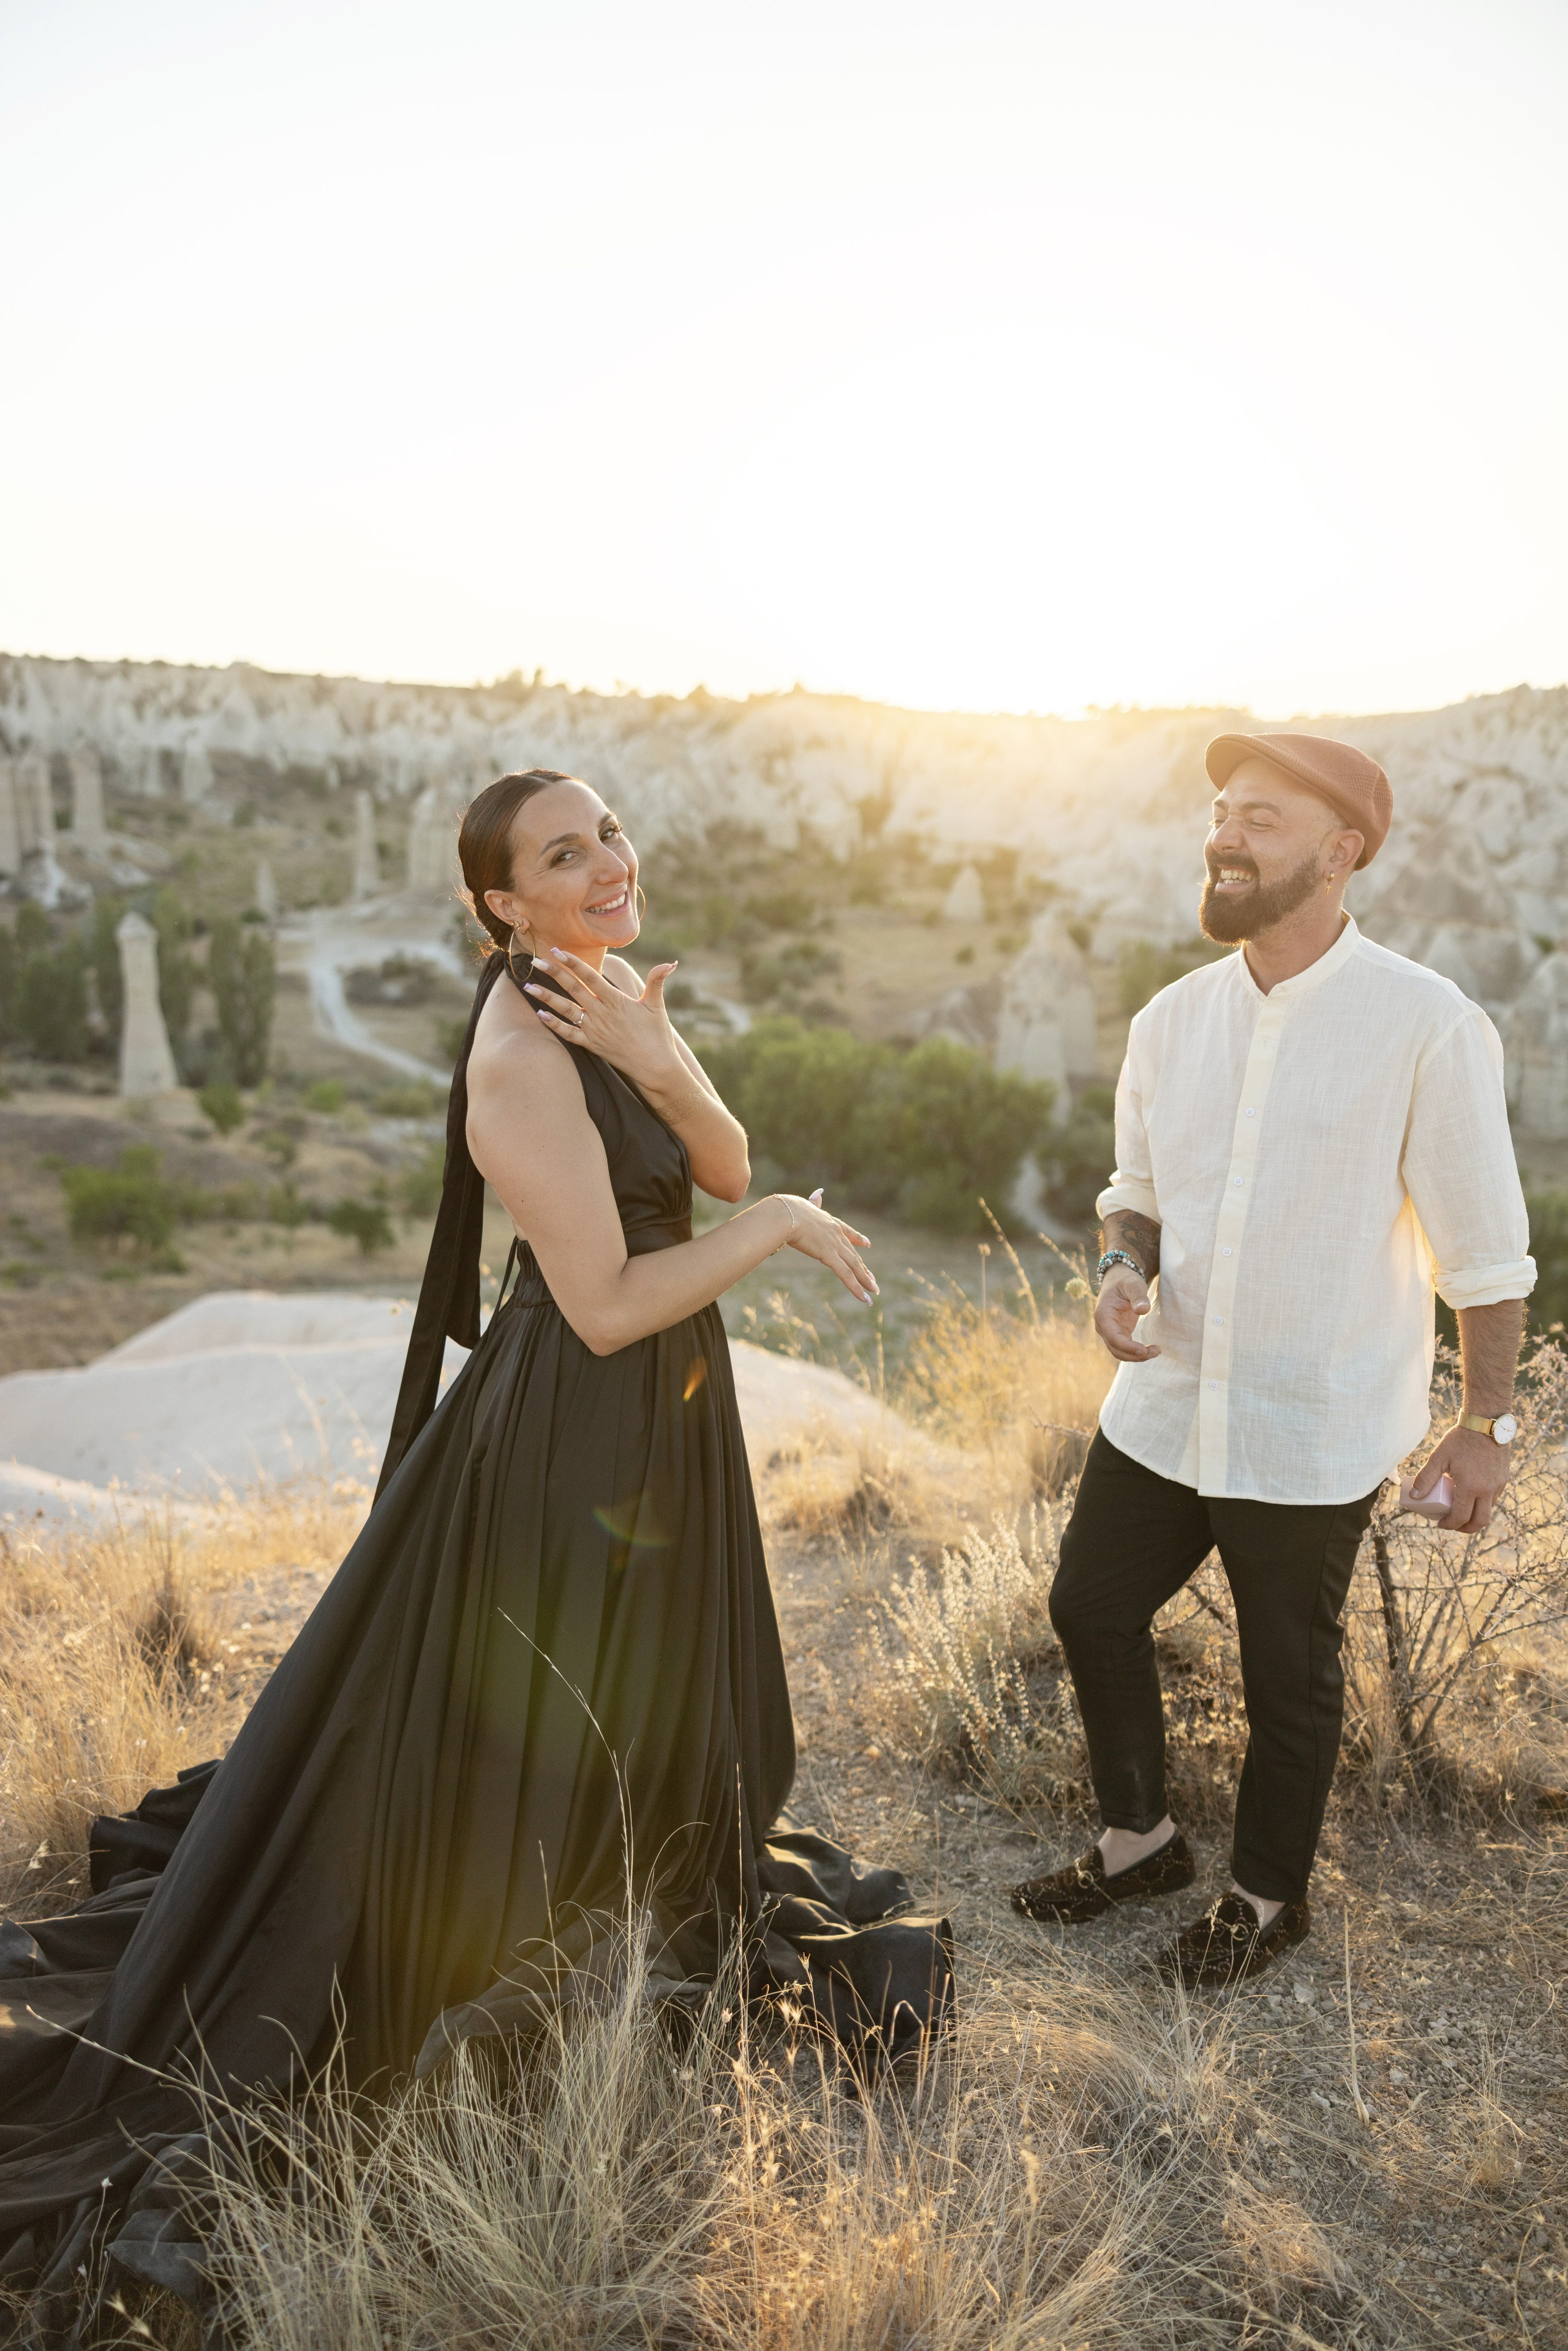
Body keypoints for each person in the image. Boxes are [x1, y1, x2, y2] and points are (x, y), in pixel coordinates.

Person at [0, 769, 952, 2325]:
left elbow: (710, 1157)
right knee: (536, 1727)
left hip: (662, 1420)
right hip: (572, 1437)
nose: (606, 863)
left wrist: (659, 1049)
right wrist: (777, 1221)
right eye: (562, 855)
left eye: (612, 834)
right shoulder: (514, 1059)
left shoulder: (606, 992)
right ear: (498, 902)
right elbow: (607, 1301)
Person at [1010, 732, 1536, 1987]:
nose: (1224, 835)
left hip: (1307, 1425)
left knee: (1283, 1677)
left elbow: (1486, 1256)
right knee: (1087, 1604)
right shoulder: (1168, 1018)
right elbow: (1130, 1191)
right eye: (1218, 814)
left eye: (1258, 816)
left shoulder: (1422, 1023)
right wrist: (1118, 1268)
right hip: (1166, 1400)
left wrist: (1485, 1427)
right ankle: (1135, 1841)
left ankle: (1262, 1897)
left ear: (1339, 851)